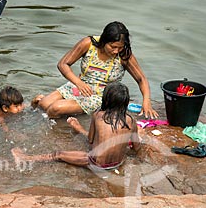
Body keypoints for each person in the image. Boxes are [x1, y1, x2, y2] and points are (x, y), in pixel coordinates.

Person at [31, 21, 158, 119]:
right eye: (113, 47)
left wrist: (146, 101)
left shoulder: (124, 54)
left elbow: (141, 79)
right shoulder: (88, 44)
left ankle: (61, 124)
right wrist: (79, 83)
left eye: (119, 47)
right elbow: (63, 64)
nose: (116, 51)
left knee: (55, 109)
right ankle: (68, 115)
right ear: (104, 40)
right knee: (43, 104)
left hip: (100, 95)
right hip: (79, 85)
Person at [13, 82, 141, 171]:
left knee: (57, 155)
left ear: (106, 99)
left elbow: (90, 141)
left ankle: (26, 159)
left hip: (97, 164)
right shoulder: (130, 120)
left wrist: (78, 128)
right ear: (125, 102)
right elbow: (136, 147)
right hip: (118, 163)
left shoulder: (98, 115)